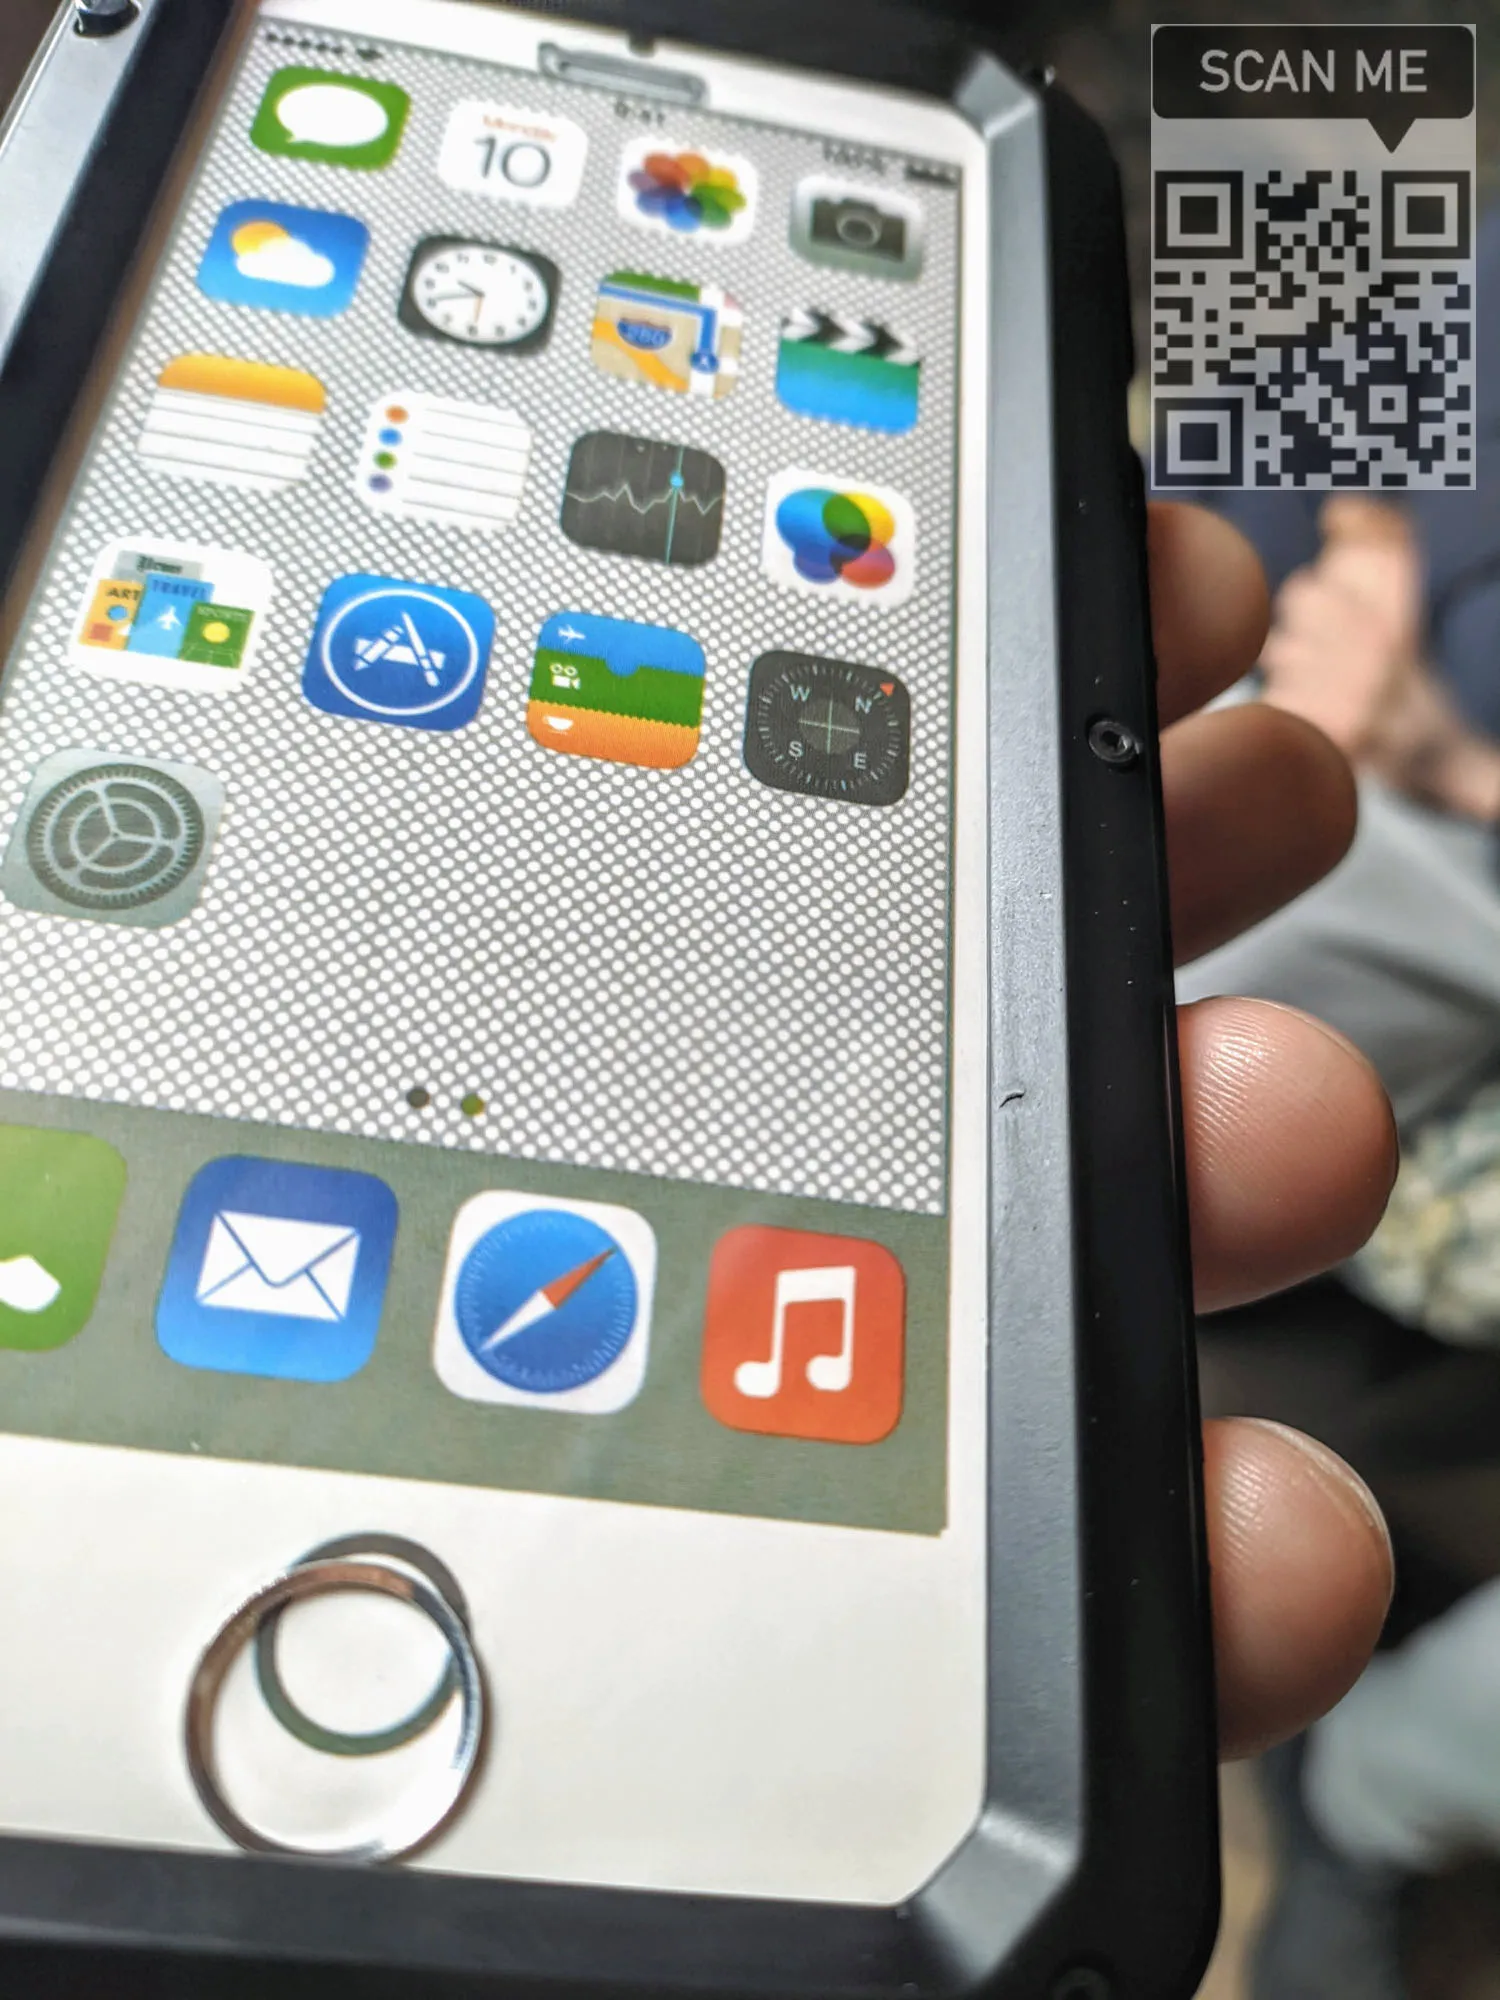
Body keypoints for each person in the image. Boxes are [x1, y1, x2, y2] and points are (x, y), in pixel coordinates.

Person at [1128, 497, 1397, 1761]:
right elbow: (1307, 418)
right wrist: (1382, 537)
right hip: (1298, 633)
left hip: (1428, 784)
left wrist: (1460, 760)